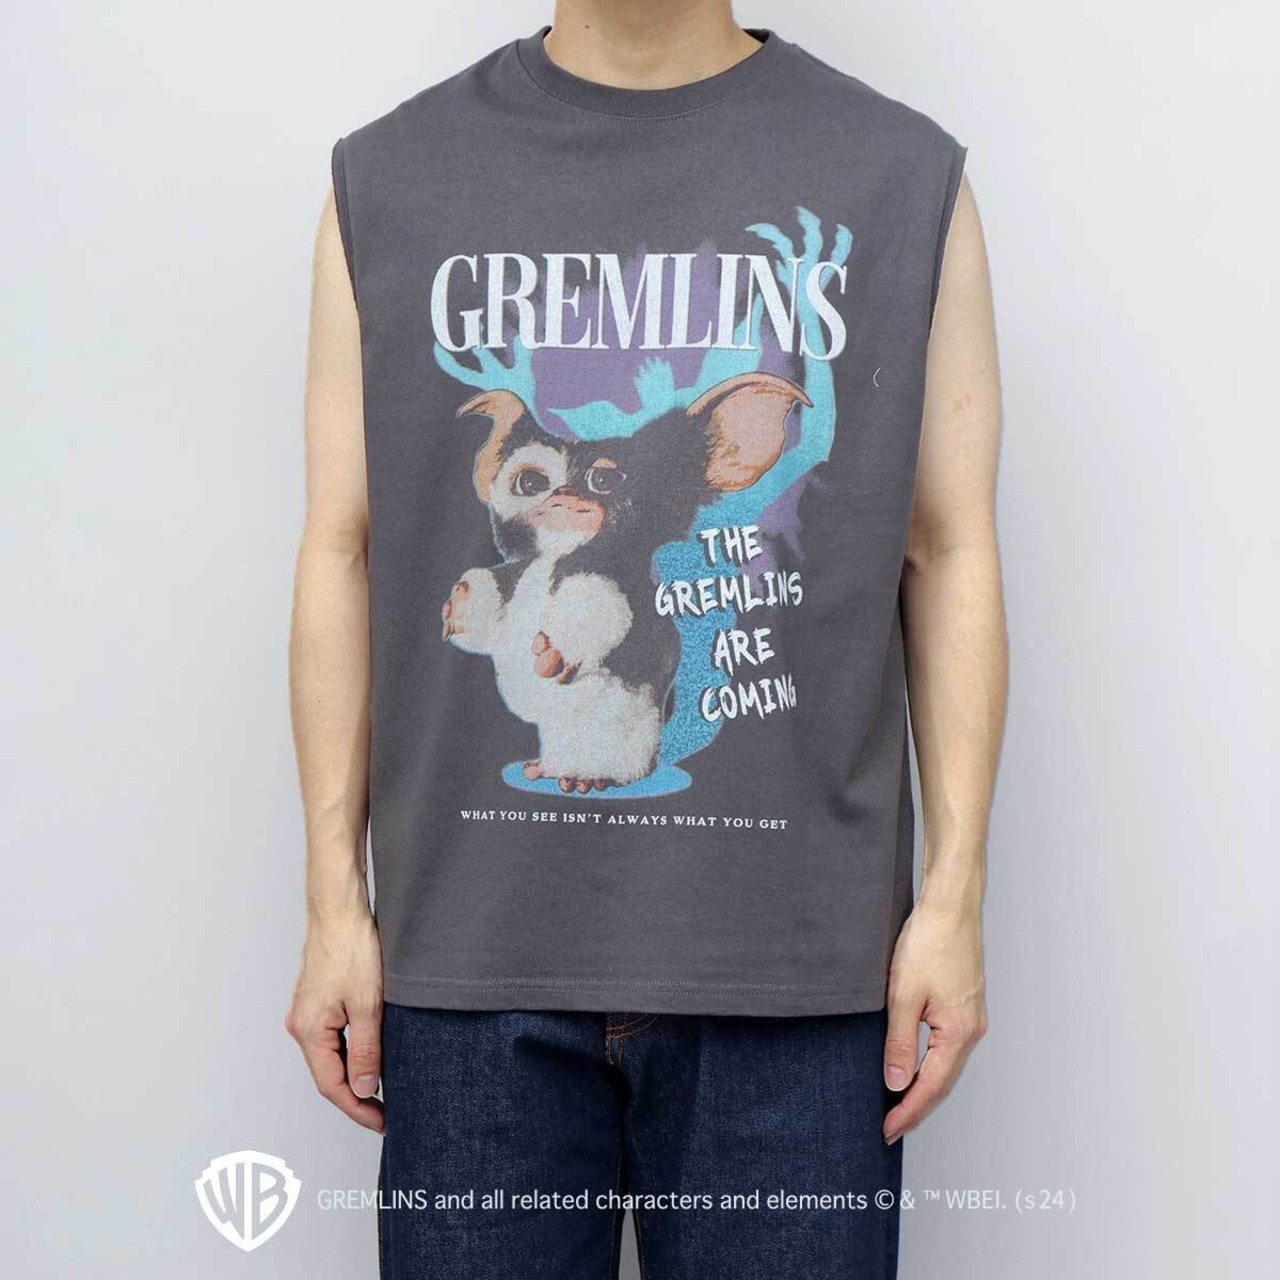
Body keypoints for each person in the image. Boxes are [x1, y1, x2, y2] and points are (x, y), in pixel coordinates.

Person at [285, 1, 1007, 1276]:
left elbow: (946, 548)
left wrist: (951, 899)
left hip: (796, 981)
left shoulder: (901, 175)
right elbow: (343, 546)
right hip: (466, 969)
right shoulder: (387, 178)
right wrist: (333, 903)